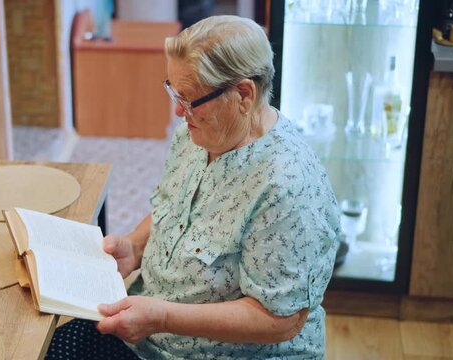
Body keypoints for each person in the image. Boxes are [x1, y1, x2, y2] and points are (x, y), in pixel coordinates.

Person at [46, 15, 340, 360]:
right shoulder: (197, 132)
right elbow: (174, 206)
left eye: (187, 98)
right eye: (172, 90)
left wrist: (163, 316)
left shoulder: (286, 187)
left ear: (243, 94)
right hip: (149, 334)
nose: (176, 110)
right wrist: (135, 246)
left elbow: (280, 319)